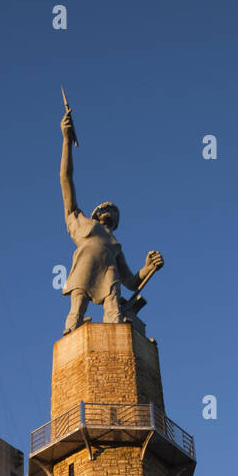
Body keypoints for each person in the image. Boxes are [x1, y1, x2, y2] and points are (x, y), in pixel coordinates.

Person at [60, 109, 163, 333]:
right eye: (105, 208)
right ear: (95, 214)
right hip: (83, 270)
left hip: (110, 277)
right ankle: (72, 338)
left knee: (115, 314)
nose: (110, 210)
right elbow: (66, 179)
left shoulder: (115, 244)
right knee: (75, 312)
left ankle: (116, 340)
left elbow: (132, 282)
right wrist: (67, 141)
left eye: (114, 211)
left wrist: (149, 267)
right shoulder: (80, 222)